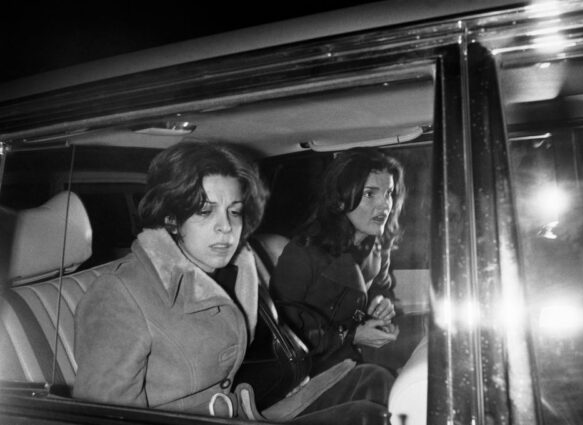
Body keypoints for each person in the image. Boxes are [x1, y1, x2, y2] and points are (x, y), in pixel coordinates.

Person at [73, 140, 393, 424]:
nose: (225, 227)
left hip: (247, 409)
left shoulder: (233, 274)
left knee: (372, 380)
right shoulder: (119, 294)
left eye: (234, 212)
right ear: (171, 218)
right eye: (205, 211)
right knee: (367, 417)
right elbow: (101, 417)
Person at [271, 147, 405, 376]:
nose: (384, 205)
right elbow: (279, 335)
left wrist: (382, 305)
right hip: (308, 371)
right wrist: (351, 335)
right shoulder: (303, 253)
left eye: (388, 193)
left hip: (350, 356)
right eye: (370, 194)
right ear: (340, 199)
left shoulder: (378, 246)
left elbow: (381, 289)